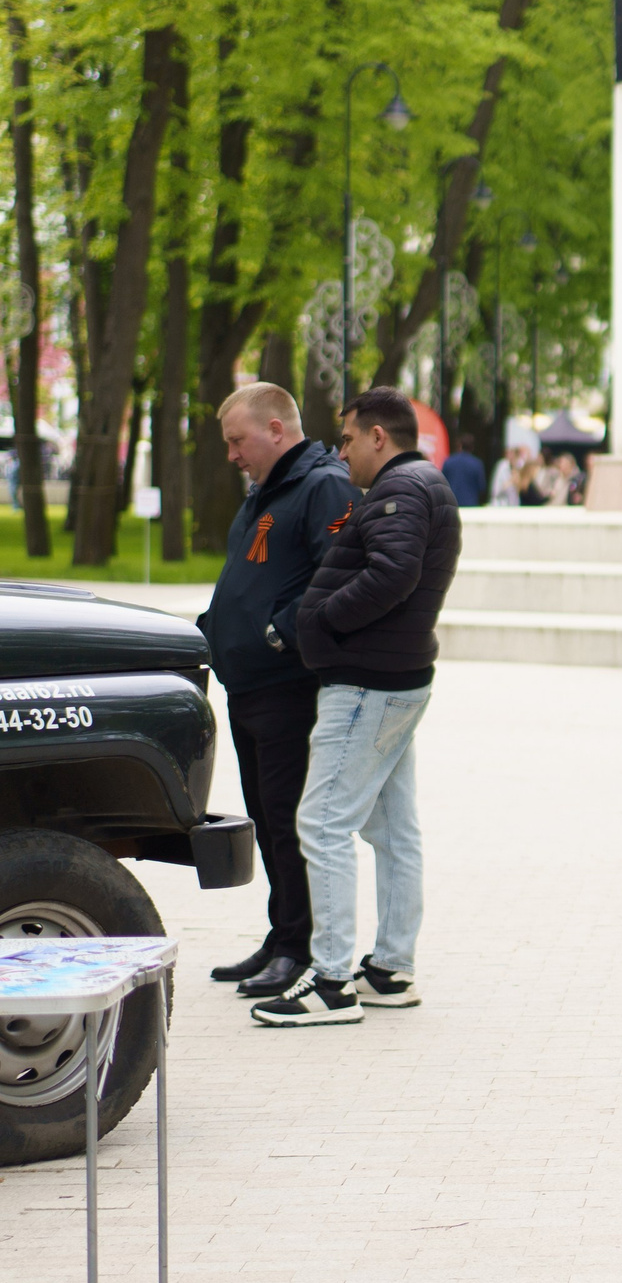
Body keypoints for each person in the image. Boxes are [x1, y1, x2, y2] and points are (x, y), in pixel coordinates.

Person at [252, 389, 461, 1025]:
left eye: (345, 439)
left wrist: (320, 623)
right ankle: (391, 971)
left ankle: (333, 983)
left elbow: (394, 573)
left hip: (368, 682)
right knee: (393, 831)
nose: (339, 452)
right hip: (395, 676)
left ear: (377, 436)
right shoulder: (421, 487)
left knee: (321, 823)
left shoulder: (400, 492)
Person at [197, 384, 363, 1000]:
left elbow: (340, 574)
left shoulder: (322, 487)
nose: (233, 456)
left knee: (289, 820)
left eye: (237, 441)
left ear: (275, 428)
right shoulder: (268, 489)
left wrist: (276, 634)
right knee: (269, 819)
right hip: (250, 687)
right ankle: (283, 933)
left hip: (288, 686)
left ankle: (301, 947)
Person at [439, 433, 486, 508]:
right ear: (472, 447)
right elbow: (481, 487)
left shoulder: (448, 461)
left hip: (452, 506)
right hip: (471, 506)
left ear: (460, 445)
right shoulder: (477, 464)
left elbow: (441, 484)